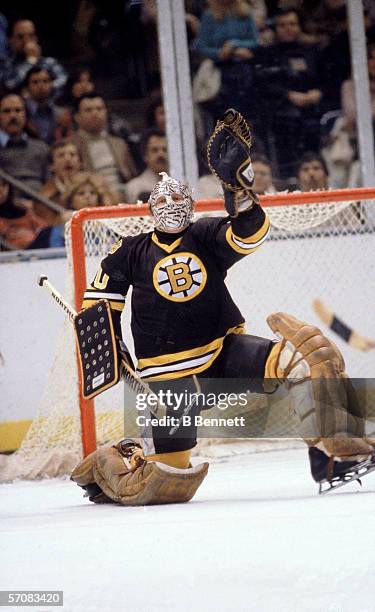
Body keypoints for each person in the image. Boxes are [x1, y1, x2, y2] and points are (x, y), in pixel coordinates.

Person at [71, 110, 373, 507]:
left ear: (192, 203)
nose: (171, 204)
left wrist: (239, 186)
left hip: (222, 355)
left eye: (178, 197)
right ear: (148, 207)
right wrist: (113, 352)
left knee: (307, 355)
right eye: (163, 199)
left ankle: (333, 456)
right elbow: (99, 303)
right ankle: (113, 464)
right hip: (166, 379)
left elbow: (248, 234)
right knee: (166, 483)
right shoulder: (129, 250)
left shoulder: (205, 233)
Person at [71, 92, 137, 195]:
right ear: (76, 116)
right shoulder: (71, 145)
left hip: (123, 193)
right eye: (88, 110)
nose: (95, 113)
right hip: (90, 195)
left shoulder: (119, 143)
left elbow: (131, 174)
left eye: (99, 109)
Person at [1, 19, 67, 97]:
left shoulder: (49, 62)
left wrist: (46, 87)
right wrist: (30, 62)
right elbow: (10, 85)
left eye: (31, 36)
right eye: (20, 37)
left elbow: (64, 80)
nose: (26, 41)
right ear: (11, 40)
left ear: (36, 38)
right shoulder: (6, 64)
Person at [0, 93, 49, 193]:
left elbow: (50, 182)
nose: (13, 115)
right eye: (6, 111)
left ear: (25, 115)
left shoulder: (41, 147)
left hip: (41, 203)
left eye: (18, 110)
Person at [23, 65, 68, 144]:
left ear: (51, 85)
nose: (41, 86)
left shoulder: (61, 114)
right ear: (27, 87)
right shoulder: (21, 111)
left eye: (45, 81)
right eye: (35, 82)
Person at [124, 129, 167, 202]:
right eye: (154, 150)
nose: (161, 154)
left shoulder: (181, 183)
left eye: (165, 150)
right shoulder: (134, 187)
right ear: (145, 156)